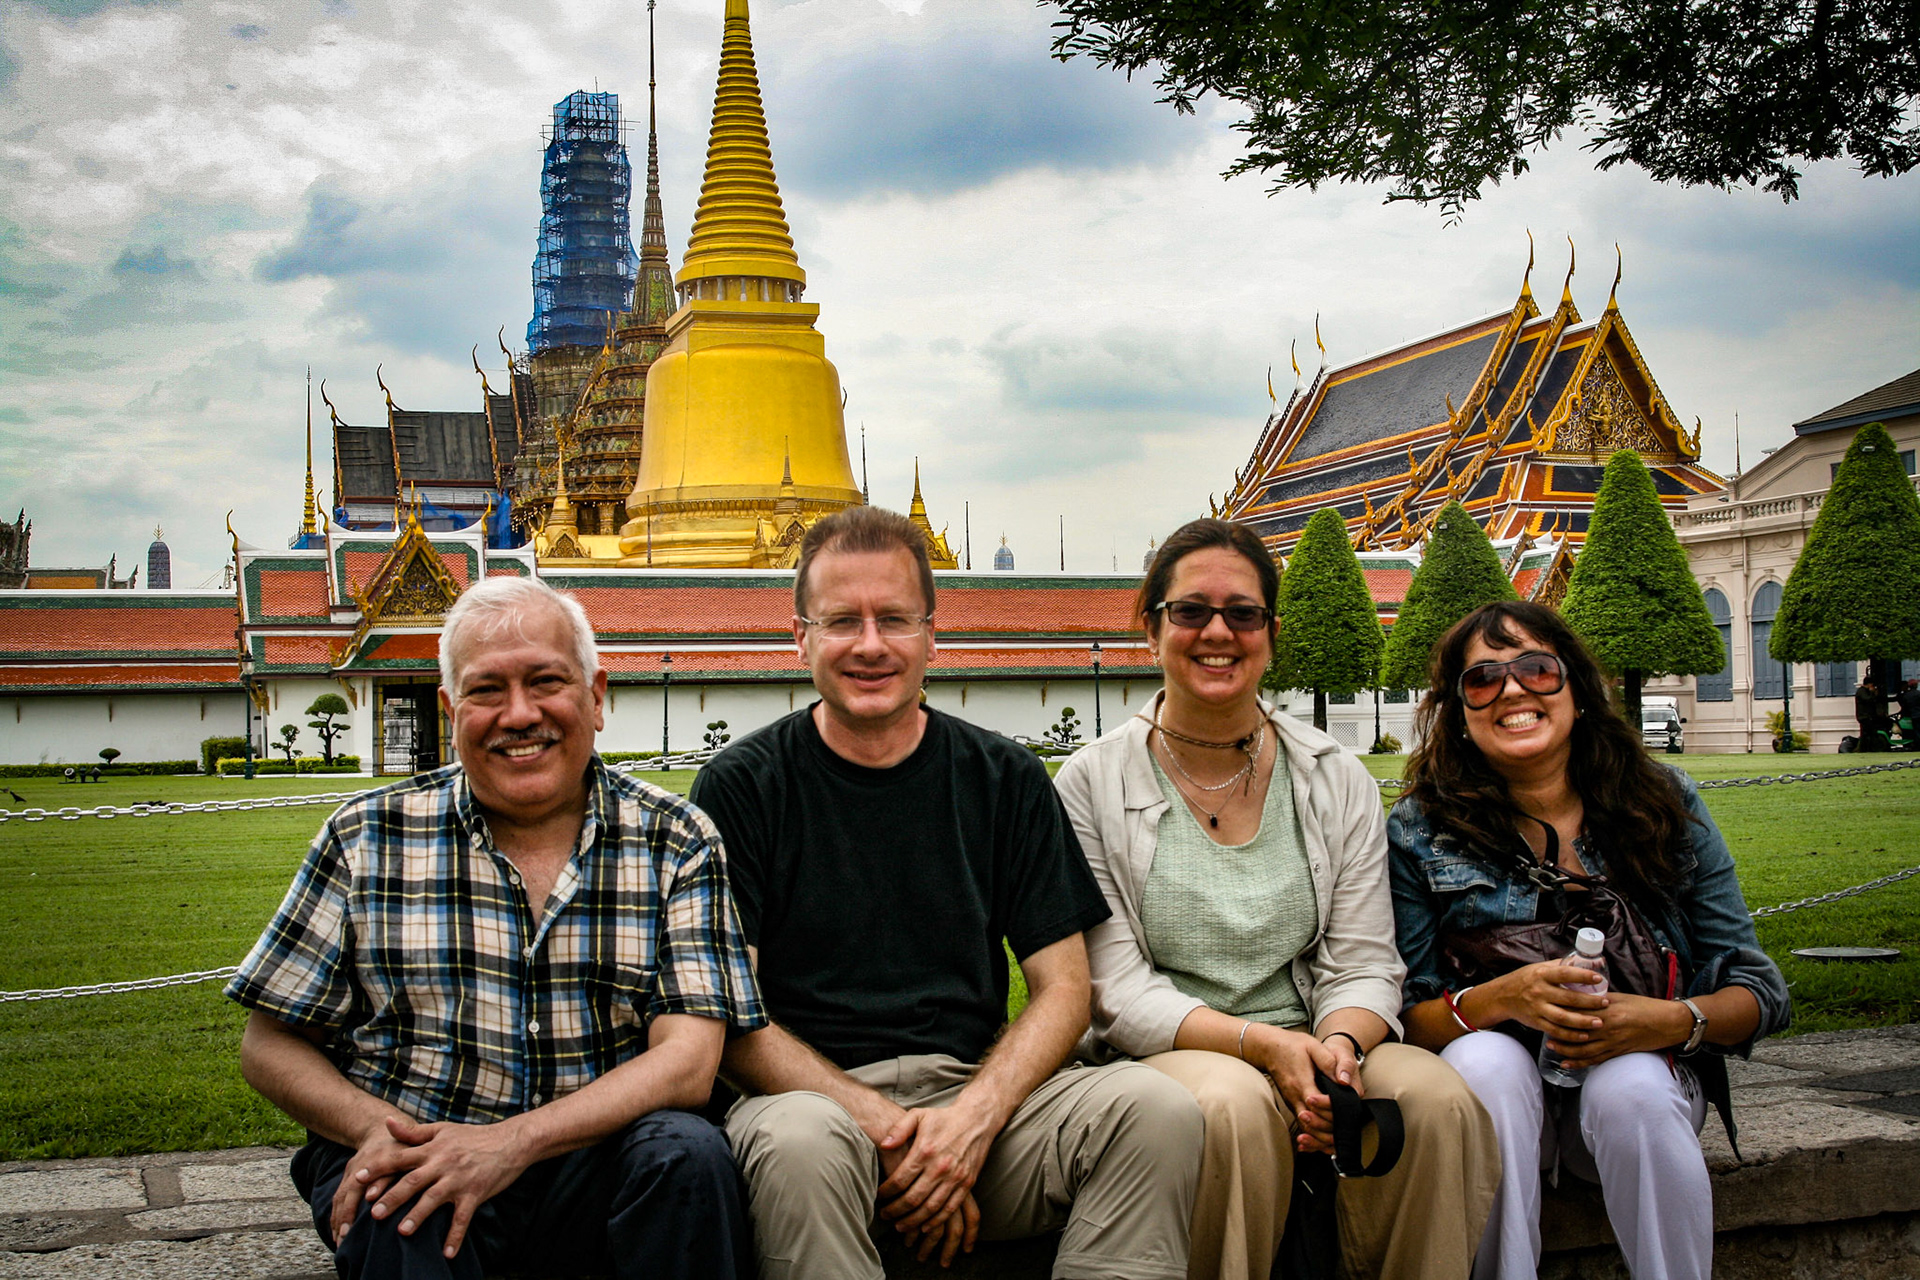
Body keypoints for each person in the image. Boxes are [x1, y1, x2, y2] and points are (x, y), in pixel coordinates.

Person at [690, 504, 1204, 1280]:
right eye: (842, 622)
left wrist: (970, 1123)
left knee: (1156, 1112)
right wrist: (894, 1131)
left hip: (975, 1095)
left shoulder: (1004, 779)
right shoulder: (743, 788)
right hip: (814, 1105)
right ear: (801, 638)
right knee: (800, 1146)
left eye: (894, 620)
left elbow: (1064, 989)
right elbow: (734, 1016)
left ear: (933, 636)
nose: (870, 645)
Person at [227, 577, 764, 1280]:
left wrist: (509, 1144)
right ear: (451, 708)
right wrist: (374, 1133)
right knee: (399, 1202)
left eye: (546, 681)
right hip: (416, 1140)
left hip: (596, 1157)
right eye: (486, 691)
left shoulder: (675, 838)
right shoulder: (365, 837)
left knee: (689, 1157)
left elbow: (689, 1063)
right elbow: (269, 1045)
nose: (519, 715)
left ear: (597, 697)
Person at [1054, 517, 1500, 1280]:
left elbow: (1364, 960)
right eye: (1191, 611)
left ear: (1271, 631)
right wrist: (1260, 1048)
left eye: (1243, 614)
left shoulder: (1333, 776)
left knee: (1434, 1100)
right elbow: (1115, 990)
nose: (1217, 632)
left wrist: (1340, 1052)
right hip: (1168, 1054)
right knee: (1228, 1104)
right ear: (1152, 631)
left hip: (1314, 1036)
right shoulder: (1092, 783)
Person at [1387, 601, 1791, 1280]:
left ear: (1576, 687)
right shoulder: (1420, 830)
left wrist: (1665, 1021)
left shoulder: (1663, 802)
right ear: (1458, 712)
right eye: (1483, 680)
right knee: (1488, 1062)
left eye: (1537, 669)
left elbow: (1760, 991)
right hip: (1500, 1103)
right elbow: (1404, 1019)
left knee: (1629, 1083)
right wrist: (1500, 999)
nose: (1513, 690)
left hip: (1640, 1087)